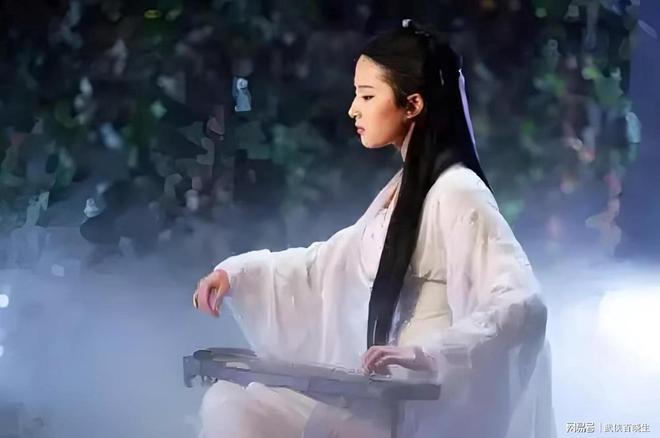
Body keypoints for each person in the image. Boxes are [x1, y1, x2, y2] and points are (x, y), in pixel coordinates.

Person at [192, 19, 556, 438]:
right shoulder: (403, 191)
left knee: (329, 425)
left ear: (412, 104)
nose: (354, 109)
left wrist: (431, 354)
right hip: (379, 388)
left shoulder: (457, 191)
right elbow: (327, 265)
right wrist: (238, 275)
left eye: (367, 95)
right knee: (232, 403)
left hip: (426, 402)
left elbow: (520, 303)